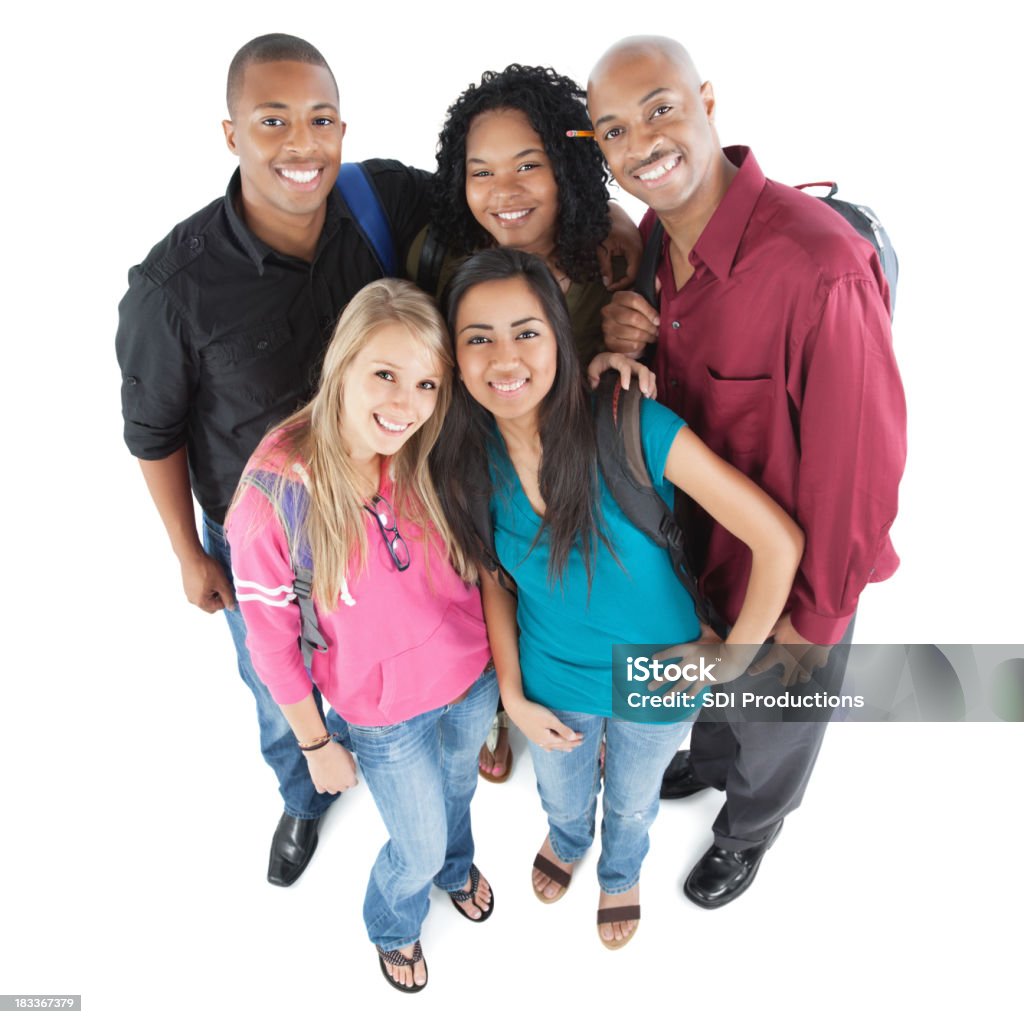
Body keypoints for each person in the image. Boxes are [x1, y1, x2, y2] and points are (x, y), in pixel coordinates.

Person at [588, 36, 907, 908]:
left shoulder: (822, 270)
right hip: (711, 547)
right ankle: (715, 758)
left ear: (708, 99)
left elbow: (862, 483)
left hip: (802, 571)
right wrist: (630, 325)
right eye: (614, 129)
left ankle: (750, 829)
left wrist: (810, 628)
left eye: (660, 108)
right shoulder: (658, 234)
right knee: (722, 676)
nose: (643, 141)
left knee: (780, 715)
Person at [114, 34, 435, 886]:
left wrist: (613, 231)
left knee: (400, 646)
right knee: (275, 678)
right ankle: (303, 789)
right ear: (230, 135)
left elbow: (508, 202)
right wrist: (189, 552)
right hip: (263, 538)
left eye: (321, 118)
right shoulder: (173, 286)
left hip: (389, 507)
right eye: (273, 120)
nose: (303, 143)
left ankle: (416, 745)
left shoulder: (382, 201)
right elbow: (155, 432)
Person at [434, 247, 805, 948]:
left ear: (560, 338)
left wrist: (731, 661)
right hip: (555, 680)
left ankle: (620, 872)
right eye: (477, 338)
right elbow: (492, 578)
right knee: (561, 795)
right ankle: (570, 840)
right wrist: (512, 696)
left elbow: (777, 540)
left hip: (661, 675)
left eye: (526, 332)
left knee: (634, 804)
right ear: (454, 358)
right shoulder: (464, 462)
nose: (503, 357)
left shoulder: (629, 423)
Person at [226, 278, 495, 992]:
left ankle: (457, 868)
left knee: (459, 792)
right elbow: (271, 648)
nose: (405, 405)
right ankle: (394, 924)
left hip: (472, 676)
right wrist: (315, 745)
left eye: (427, 384)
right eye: (384, 375)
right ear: (342, 363)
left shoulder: (426, 447)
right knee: (416, 841)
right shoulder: (271, 501)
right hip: (383, 715)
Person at [412, 63, 622, 781]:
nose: (504, 192)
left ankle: (589, 705)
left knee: (575, 590)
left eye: (529, 165)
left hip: (576, 474)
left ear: (565, 167)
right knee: (482, 584)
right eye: (483, 171)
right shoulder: (438, 257)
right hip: (473, 466)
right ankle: (501, 710)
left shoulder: (609, 267)